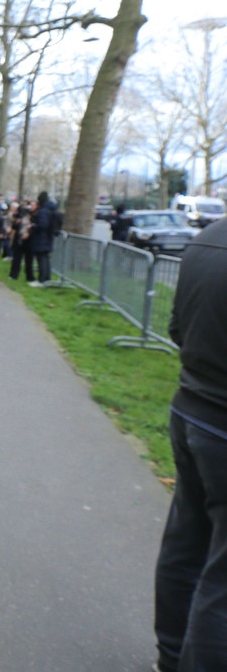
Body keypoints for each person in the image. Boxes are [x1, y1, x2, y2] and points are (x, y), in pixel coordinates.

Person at [154, 216, 227, 672]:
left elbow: (178, 328)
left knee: (186, 541)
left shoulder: (209, 236)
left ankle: (172, 653)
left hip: (192, 406)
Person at [28, 191, 56, 286]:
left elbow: (43, 225)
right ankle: (46, 278)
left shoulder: (43, 211)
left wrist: (33, 226)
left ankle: (42, 280)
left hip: (41, 238)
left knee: (41, 259)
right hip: (47, 238)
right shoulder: (50, 209)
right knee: (45, 259)